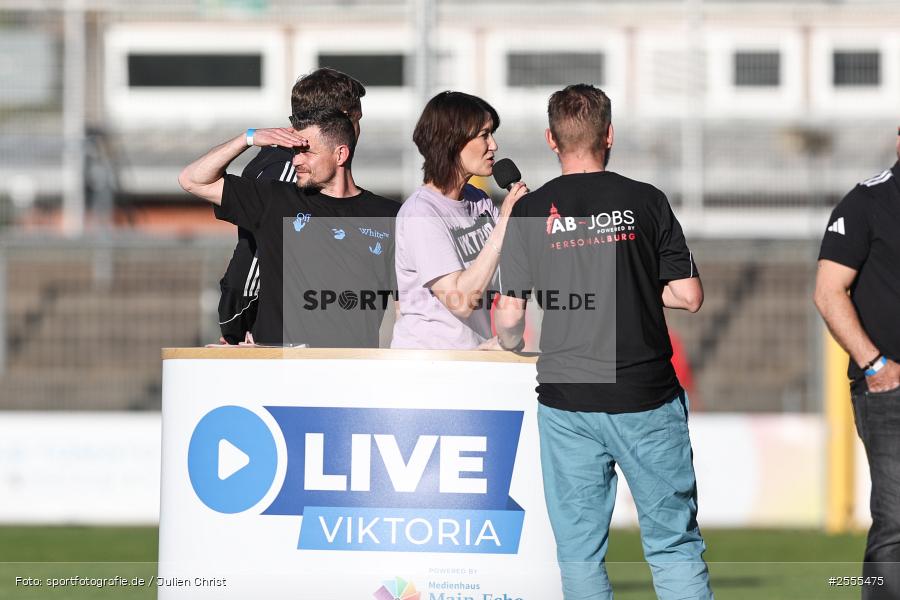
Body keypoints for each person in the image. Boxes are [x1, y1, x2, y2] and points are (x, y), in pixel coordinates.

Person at [494, 84, 713, 600]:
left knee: (579, 555)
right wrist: (631, 280)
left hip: (569, 401)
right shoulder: (645, 200)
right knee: (673, 546)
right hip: (645, 396)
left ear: (552, 139)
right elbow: (689, 295)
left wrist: (507, 341)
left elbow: (509, 319)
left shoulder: (532, 211)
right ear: (609, 134)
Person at [179, 107, 398, 347]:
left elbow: (404, 305)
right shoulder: (275, 200)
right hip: (279, 371)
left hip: (349, 372)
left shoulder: (389, 216)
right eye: (295, 152)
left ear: (340, 155)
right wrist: (248, 138)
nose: (296, 160)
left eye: (306, 152)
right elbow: (192, 180)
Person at [217, 68, 367, 344]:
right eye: (357, 118)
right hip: (275, 338)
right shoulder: (289, 169)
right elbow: (254, 258)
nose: (358, 129)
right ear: (340, 118)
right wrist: (238, 327)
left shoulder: (310, 166)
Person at [814, 129, 900, 600]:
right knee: (896, 523)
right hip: (889, 392)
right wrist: (876, 365)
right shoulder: (866, 202)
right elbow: (828, 292)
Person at [390, 91, 527, 349]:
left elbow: (510, 273)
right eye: (484, 135)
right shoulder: (421, 213)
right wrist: (504, 223)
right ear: (453, 141)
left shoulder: (480, 200)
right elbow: (460, 301)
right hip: (429, 370)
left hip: (471, 362)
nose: (494, 145)